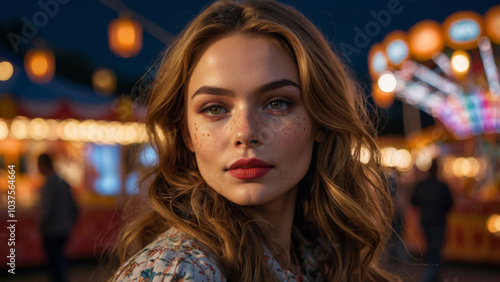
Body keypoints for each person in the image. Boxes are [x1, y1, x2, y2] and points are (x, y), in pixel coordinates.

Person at [112, 0, 399, 281]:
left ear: (320, 120)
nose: (245, 132)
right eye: (215, 109)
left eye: (276, 103)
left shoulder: (321, 259)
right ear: (186, 132)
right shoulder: (180, 271)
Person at [38, 153, 79, 282]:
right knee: (60, 259)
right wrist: (70, 222)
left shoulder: (49, 184)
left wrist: (41, 225)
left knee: (54, 263)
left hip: (52, 229)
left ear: (42, 165)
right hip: (64, 228)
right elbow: (74, 206)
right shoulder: (63, 182)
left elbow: (48, 209)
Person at [411, 159, 453, 282]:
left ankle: (433, 276)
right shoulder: (442, 186)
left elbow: (413, 201)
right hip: (439, 222)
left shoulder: (421, 185)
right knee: (435, 252)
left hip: (425, 221)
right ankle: (430, 277)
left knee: (431, 250)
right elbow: (450, 204)